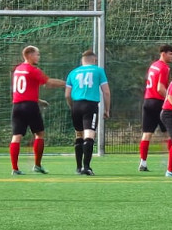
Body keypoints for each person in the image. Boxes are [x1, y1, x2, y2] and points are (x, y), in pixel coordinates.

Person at [10, 45, 65, 175]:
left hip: (17, 106)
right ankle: (37, 165)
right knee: (39, 134)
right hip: (30, 107)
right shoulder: (32, 70)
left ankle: (15, 169)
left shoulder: (18, 69)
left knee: (16, 137)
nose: (39, 57)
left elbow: (23, 90)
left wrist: (39, 100)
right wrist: (67, 83)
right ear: (29, 55)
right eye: (37, 54)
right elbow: (49, 82)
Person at [64, 50, 110, 176]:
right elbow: (106, 92)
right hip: (90, 105)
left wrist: (72, 106)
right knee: (89, 135)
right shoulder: (98, 70)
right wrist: (107, 109)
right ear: (94, 60)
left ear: (82, 60)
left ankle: (78, 168)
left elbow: (67, 95)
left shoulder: (72, 73)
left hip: (76, 105)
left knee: (79, 135)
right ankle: (87, 167)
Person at [139, 45, 172, 172]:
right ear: (163, 54)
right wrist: (169, 99)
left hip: (147, 101)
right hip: (158, 103)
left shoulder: (153, 65)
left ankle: (143, 163)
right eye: (170, 54)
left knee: (147, 134)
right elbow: (160, 88)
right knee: (169, 133)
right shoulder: (164, 67)